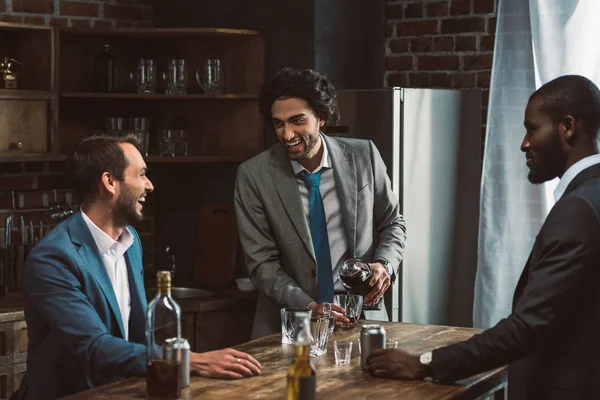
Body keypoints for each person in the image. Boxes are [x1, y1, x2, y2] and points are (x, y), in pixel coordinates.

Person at [367, 75, 600, 399]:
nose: (524, 143)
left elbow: (529, 327)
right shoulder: (591, 197)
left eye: (532, 129)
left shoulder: (578, 209)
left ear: (568, 127)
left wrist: (425, 363)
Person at [16, 134, 261, 400]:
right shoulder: (53, 257)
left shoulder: (130, 243)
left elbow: (135, 335)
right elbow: (93, 346)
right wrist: (193, 360)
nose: (150, 185)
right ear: (110, 182)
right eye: (142, 174)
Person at [234, 67, 407, 339]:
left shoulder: (364, 155)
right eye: (279, 124)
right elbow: (262, 265)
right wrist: (309, 307)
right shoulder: (253, 176)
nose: (287, 134)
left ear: (321, 117)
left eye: (297, 121)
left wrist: (384, 264)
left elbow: (392, 222)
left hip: (361, 319)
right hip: (290, 325)